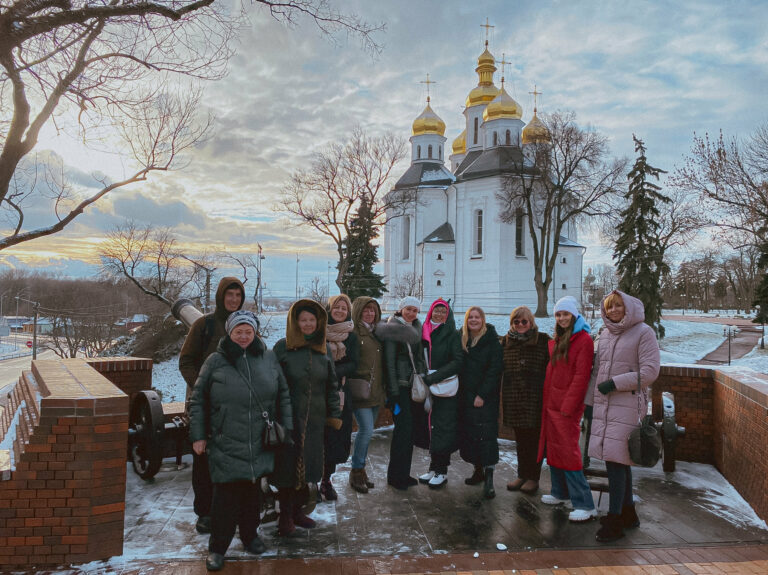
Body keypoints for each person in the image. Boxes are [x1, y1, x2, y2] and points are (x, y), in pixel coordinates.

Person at [189, 310, 292, 571]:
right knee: (225, 497)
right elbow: (198, 400)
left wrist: (286, 429)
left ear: (255, 332)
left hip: (259, 439)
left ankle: (250, 536)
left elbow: (283, 395)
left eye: (248, 331)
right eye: (238, 331)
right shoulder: (215, 361)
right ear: (230, 333)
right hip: (226, 440)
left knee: (253, 493)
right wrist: (199, 435)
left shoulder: (267, 359)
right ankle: (217, 548)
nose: (244, 336)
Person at [587, 290, 660, 542]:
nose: (614, 310)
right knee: (619, 459)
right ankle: (628, 513)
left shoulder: (644, 333)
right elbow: (597, 372)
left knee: (615, 462)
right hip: (605, 405)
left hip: (627, 404)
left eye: (618, 306)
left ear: (628, 307)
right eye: (609, 307)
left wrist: (616, 383)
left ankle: (614, 521)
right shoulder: (605, 335)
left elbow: (650, 371)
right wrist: (589, 403)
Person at [179, 277, 245, 535]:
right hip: (205, 404)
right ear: (221, 296)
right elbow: (186, 361)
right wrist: (201, 387)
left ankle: (233, 509)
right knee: (203, 461)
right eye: (229, 295)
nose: (233, 300)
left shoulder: (243, 324)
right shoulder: (203, 325)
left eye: (238, 295)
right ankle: (204, 513)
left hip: (235, 407)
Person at [271, 299, 342, 537]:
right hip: (289, 419)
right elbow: (273, 385)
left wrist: (334, 415)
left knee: (310, 467)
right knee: (287, 469)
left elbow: (332, 385)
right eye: (303, 320)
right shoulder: (283, 348)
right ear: (295, 322)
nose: (308, 324)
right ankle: (284, 515)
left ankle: (298, 511)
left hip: (315, 421)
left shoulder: (323, 350)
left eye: (312, 320)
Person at [537, 296, 597, 522]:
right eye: (558, 314)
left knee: (568, 451)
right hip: (551, 403)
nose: (562, 318)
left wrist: (569, 405)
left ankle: (585, 503)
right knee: (554, 448)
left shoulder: (583, 340)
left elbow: (582, 376)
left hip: (565, 406)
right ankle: (560, 492)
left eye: (566, 314)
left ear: (574, 315)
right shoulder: (559, 339)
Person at [500, 306, 551, 495]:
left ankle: (533, 477)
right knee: (520, 439)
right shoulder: (506, 342)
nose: (520, 325)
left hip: (535, 397)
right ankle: (522, 474)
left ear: (531, 323)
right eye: (516, 321)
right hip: (513, 396)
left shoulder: (543, 340)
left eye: (524, 321)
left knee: (535, 439)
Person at [417, 298, 463, 489]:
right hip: (425, 385)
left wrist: (434, 377)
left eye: (443, 312)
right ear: (430, 312)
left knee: (443, 428)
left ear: (448, 315)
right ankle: (433, 467)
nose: (439, 314)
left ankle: (442, 470)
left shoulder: (451, 334)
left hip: (443, 387)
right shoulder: (423, 331)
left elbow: (457, 361)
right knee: (431, 427)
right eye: (436, 311)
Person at [457, 306, 503, 498]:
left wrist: (482, 395)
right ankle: (478, 471)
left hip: (484, 398)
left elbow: (494, 371)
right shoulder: (463, 339)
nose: (474, 320)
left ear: (483, 320)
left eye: (477, 317)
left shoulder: (491, 341)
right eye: (470, 318)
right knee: (472, 436)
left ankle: (489, 477)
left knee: (486, 437)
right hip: (465, 396)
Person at [384, 296, 426, 490]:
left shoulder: (416, 327)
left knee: (408, 432)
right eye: (408, 309)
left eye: (415, 310)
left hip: (412, 385)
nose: (411, 313)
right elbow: (389, 362)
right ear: (400, 310)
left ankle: (404, 473)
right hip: (399, 387)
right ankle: (395, 476)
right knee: (402, 430)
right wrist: (392, 393)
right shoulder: (393, 329)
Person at [321, 294, 360, 500]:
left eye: (344, 308)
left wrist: (333, 372)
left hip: (340, 393)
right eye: (336, 307)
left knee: (336, 437)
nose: (340, 311)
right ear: (330, 309)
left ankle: (326, 481)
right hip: (318, 391)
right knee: (317, 437)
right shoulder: (320, 331)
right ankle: (311, 481)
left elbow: (354, 363)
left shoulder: (351, 336)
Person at [347, 296, 386, 494]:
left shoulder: (377, 332)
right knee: (366, 430)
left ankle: (361, 471)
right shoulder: (354, 333)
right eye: (366, 310)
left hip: (376, 391)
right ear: (358, 312)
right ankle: (356, 471)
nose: (370, 314)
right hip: (361, 391)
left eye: (373, 310)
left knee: (367, 432)